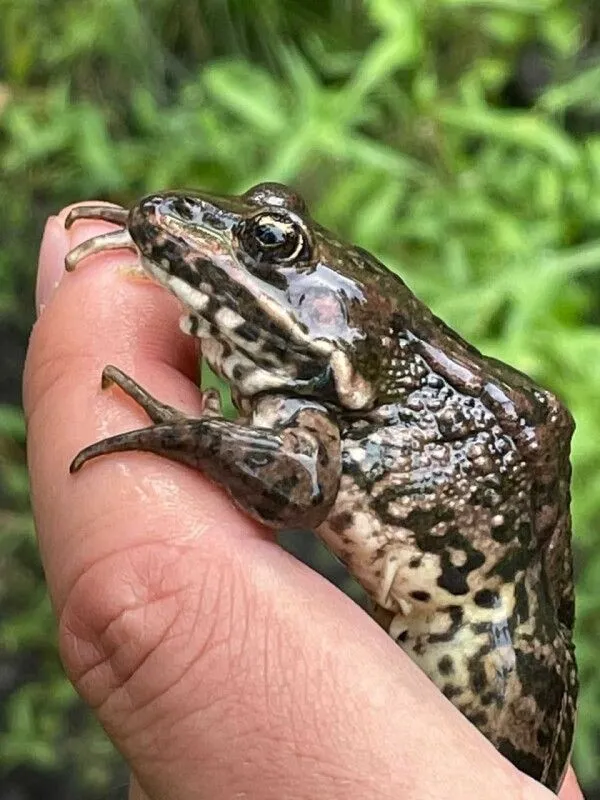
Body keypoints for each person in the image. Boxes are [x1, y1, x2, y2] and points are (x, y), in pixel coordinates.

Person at [24, 206, 584, 800]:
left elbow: (302, 484)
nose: (226, 244)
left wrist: (198, 436)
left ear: (329, 311)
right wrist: (157, 240)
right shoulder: (319, 393)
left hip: (494, 661)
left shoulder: (327, 402)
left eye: (268, 243)